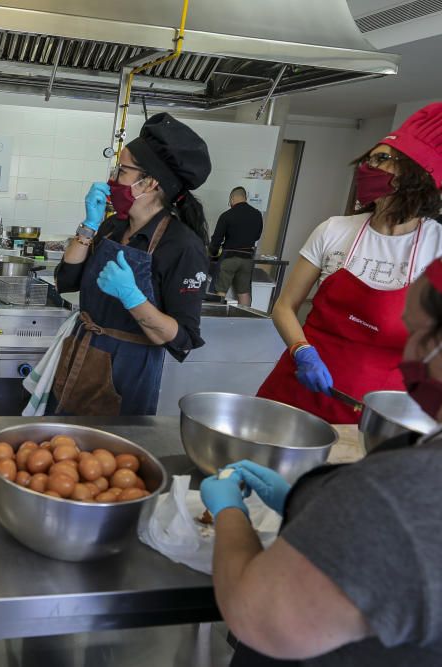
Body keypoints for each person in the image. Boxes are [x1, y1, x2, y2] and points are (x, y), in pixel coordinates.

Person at [200, 257, 442, 666]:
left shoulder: (405, 491)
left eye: (417, 333)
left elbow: (259, 614)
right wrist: (307, 504)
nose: (408, 353)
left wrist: (229, 512)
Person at [257, 102, 442, 425]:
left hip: (373, 407)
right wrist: (302, 350)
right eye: (370, 157)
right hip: (297, 386)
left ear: (416, 173)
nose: (368, 166)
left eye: (381, 159)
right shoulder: (334, 230)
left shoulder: (436, 246)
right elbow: (285, 306)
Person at [53, 113, 211, 416]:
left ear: (149, 182)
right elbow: (67, 281)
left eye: (122, 170)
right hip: (81, 352)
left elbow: (182, 338)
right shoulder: (113, 226)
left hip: (128, 369)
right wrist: (88, 226)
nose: (112, 178)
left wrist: (132, 297)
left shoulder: (182, 246)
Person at [209, 186, 264, 306]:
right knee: (244, 292)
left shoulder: (227, 215)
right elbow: (257, 237)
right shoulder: (257, 215)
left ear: (232, 199)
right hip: (247, 259)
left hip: (229, 258)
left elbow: (216, 240)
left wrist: (212, 253)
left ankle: (217, 316)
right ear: (245, 197)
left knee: (220, 290)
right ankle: (244, 318)